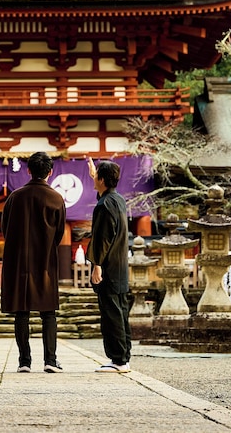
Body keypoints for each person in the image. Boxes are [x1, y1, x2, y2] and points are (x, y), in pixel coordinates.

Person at [0, 151, 67, 373]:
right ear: (50, 171)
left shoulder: (14, 197)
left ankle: (24, 361)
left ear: (28, 170)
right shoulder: (56, 199)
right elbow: (59, 233)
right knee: (48, 312)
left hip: (19, 261)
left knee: (22, 311)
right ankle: (50, 360)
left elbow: (5, 229)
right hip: (45, 260)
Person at [87, 159, 132, 373]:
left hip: (109, 267)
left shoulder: (104, 205)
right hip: (120, 267)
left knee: (112, 314)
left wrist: (97, 265)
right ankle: (123, 357)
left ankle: (118, 359)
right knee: (121, 312)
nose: (94, 180)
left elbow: (102, 238)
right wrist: (94, 176)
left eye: (97, 177)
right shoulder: (118, 200)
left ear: (102, 179)